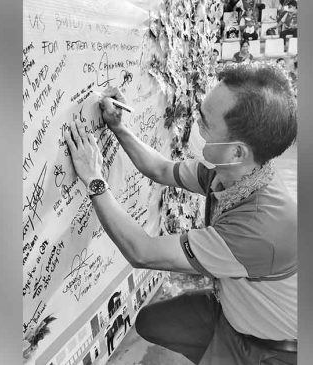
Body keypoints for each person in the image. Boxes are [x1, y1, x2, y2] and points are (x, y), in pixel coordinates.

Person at [63, 64, 298, 364]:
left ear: (237, 151)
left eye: (204, 123)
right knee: (150, 322)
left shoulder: (258, 229)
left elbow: (143, 252)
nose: (194, 125)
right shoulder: (230, 174)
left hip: (271, 349)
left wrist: (94, 179)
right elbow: (160, 169)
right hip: (234, 310)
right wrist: (119, 127)